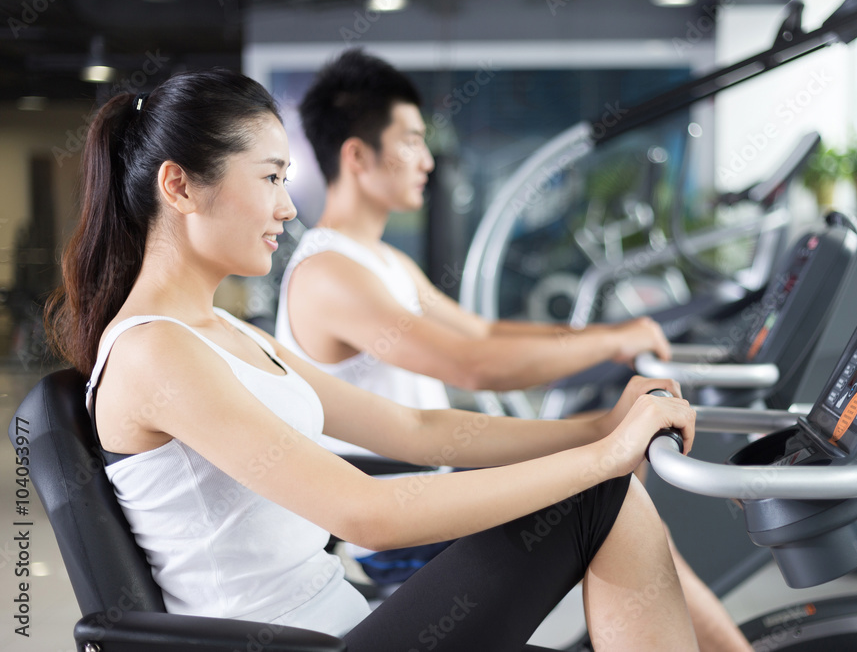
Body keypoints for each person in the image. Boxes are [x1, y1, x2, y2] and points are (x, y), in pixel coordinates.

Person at [46, 68, 702, 651]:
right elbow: (365, 514)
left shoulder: (223, 330)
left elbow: (420, 431)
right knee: (599, 497)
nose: (287, 206)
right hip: (312, 641)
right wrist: (604, 458)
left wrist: (602, 428)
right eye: (271, 177)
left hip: (346, 623)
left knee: (602, 495)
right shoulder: (153, 351)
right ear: (180, 187)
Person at [277, 49, 752, 652]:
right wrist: (611, 344)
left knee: (632, 520)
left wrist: (607, 338)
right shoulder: (328, 274)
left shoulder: (382, 261)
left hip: (435, 486)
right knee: (611, 503)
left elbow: (478, 335)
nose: (427, 161)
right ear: (357, 155)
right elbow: (469, 366)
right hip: (402, 523)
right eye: (413, 141)